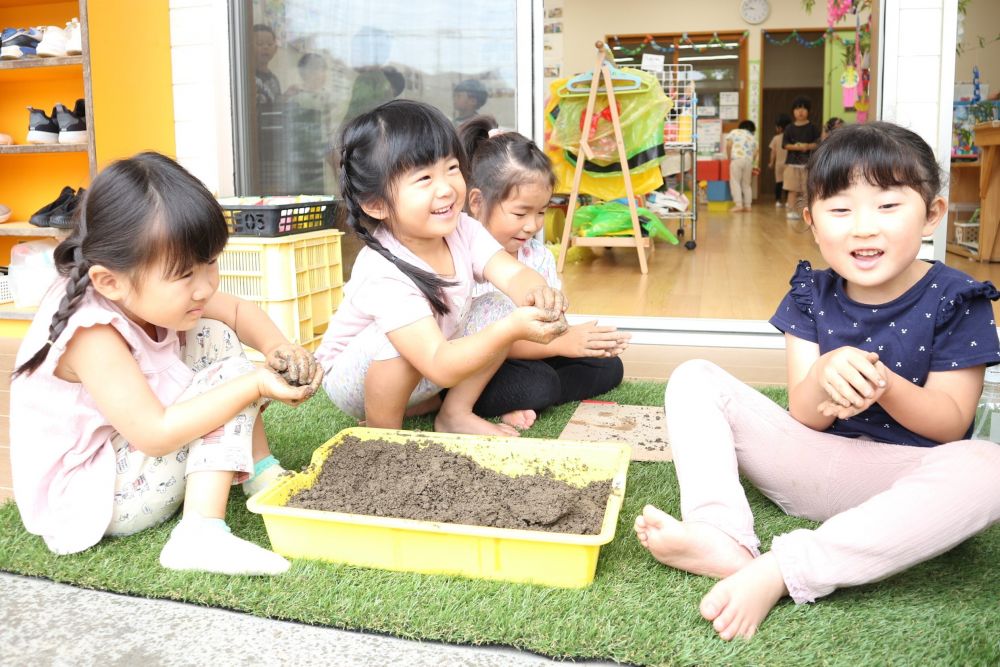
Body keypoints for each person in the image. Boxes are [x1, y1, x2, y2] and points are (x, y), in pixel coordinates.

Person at [633, 122, 1000, 641]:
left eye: (888, 206)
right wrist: (825, 378)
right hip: (810, 459)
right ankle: (719, 533)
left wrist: (887, 387)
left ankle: (783, 569)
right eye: (841, 209)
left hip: (901, 481)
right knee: (695, 377)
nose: (863, 228)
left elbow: (950, 423)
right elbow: (804, 415)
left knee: (988, 466)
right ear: (811, 220)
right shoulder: (812, 292)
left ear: (931, 214)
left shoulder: (957, 297)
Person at [9, 152, 323, 576]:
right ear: (109, 281)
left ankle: (261, 473)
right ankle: (200, 533)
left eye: (210, 263)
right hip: (98, 496)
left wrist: (279, 348)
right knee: (236, 379)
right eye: (184, 275)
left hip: (123, 445)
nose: (205, 286)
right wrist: (255, 384)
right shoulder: (91, 333)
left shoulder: (145, 282)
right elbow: (155, 435)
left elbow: (235, 312)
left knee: (214, 334)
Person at [314, 100, 569, 436]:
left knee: (500, 304)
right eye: (424, 178)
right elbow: (437, 362)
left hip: (430, 366)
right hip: (356, 382)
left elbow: (513, 273)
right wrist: (510, 330)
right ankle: (382, 439)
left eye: (451, 168)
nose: (447, 188)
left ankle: (454, 414)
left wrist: (538, 294)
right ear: (376, 204)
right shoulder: (383, 270)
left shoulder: (463, 229)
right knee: (398, 341)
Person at [454, 116, 630, 429]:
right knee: (539, 383)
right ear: (478, 203)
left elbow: (547, 325)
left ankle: (522, 398)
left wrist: (576, 339)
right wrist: (563, 344)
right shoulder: (465, 257)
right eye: (521, 212)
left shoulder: (537, 255)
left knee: (609, 367)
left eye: (541, 212)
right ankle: (498, 401)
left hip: (532, 354)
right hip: (475, 365)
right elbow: (483, 341)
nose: (532, 225)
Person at [781, 96, 820, 221]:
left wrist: (807, 146)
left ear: (808, 111)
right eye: (797, 109)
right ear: (793, 111)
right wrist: (797, 147)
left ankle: (809, 213)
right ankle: (792, 212)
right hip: (792, 164)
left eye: (803, 109)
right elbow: (785, 145)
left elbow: (818, 143)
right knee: (792, 190)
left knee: (808, 191)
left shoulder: (813, 127)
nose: (800, 112)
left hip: (808, 164)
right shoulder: (789, 128)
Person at [725, 120, 758, 213]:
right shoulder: (752, 137)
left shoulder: (734, 132)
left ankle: (738, 205)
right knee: (746, 184)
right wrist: (752, 162)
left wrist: (729, 157)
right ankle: (748, 206)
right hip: (748, 161)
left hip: (737, 159)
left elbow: (728, 145)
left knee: (735, 181)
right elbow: (756, 152)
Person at [768, 114, 790, 208]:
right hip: (789, 164)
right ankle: (788, 201)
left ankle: (778, 200)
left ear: (779, 128)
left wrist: (771, 162)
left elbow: (773, 152)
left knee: (779, 183)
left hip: (779, 164)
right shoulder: (790, 137)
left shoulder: (776, 138)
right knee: (788, 184)